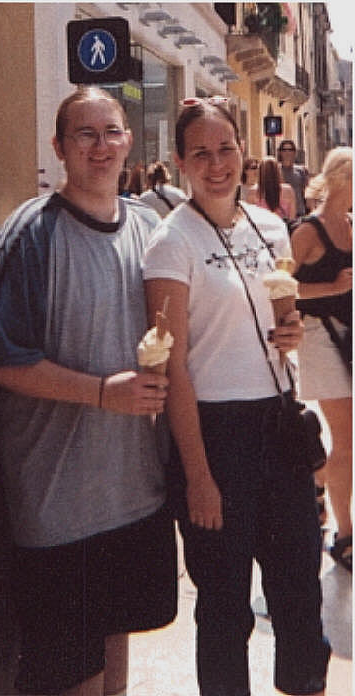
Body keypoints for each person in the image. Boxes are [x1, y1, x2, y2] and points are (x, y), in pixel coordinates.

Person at [0, 87, 177, 696]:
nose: (99, 147)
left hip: (135, 493)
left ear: (129, 141)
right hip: (59, 507)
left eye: (110, 132)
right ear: (58, 148)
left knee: (115, 651)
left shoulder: (148, 227)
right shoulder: (32, 235)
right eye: (84, 135)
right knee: (70, 676)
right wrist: (104, 392)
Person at [142, 96, 331, 696]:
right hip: (214, 434)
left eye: (226, 148)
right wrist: (198, 476)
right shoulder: (170, 243)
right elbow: (174, 367)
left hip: (279, 425)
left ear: (243, 152)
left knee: (299, 592)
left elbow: (284, 319)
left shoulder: (270, 226)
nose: (217, 163)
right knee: (225, 607)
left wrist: (292, 332)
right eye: (201, 153)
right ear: (180, 161)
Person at [291, 146, 352, 572]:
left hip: (348, 336)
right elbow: (279, 286)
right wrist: (331, 287)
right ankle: (344, 536)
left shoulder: (350, 225)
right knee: (346, 440)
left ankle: (316, 480)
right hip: (318, 338)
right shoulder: (307, 231)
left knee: (346, 442)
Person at [246, 155, 296, 223]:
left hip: (261, 228)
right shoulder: (288, 190)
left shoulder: (253, 192)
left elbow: (249, 219)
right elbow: (292, 218)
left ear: (260, 172)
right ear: (277, 171)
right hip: (283, 228)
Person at [278, 139, 308, 217]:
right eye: (284, 150)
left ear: (294, 152)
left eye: (290, 150)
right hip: (282, 213)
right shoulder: (276, 170)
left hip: (299, 212)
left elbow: (305, 192)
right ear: (280, 152)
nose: (287, 152)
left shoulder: (301, 171)